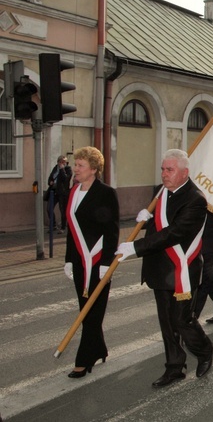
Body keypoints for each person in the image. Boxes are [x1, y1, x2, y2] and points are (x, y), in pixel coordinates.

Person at [116, 149, 213, 388]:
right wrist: (145, 221)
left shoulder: (195, 199)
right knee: (167, 323)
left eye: (169, 170)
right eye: (162, 169)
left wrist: (135, 248)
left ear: (184, 172)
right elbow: (159, 225)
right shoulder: (161, 193)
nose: (164, 174)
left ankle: (204, 349)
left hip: (182, 270)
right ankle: (174, 367)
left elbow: (174, 233)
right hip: (159, 268)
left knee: (182, 320)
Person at [63, 146, 119, 378]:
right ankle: (99, 349)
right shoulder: (74, 192)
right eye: (76, 164)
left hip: (98, 261)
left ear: (94, 169)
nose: (75, 169)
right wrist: (68, 259)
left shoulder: (106, 193)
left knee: (92, 311)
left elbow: (112, 230)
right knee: (86, 309)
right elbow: (70, 230)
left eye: (80, 165)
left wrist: (107, 261)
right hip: (79, 262)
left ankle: (83, 360)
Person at [48, 155, 73, 233]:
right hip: (54, 192)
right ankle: (53, 225)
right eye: (61, 162)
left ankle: (63, 227)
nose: (62, 163)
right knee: (49, 208)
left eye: (64, 162)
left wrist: (62, 169)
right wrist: (50, 182)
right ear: (58, 162)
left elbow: (66, 179)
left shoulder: (68, 169)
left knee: (63, 210)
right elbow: (50, 178)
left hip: (63, 192)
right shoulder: (55, 168)